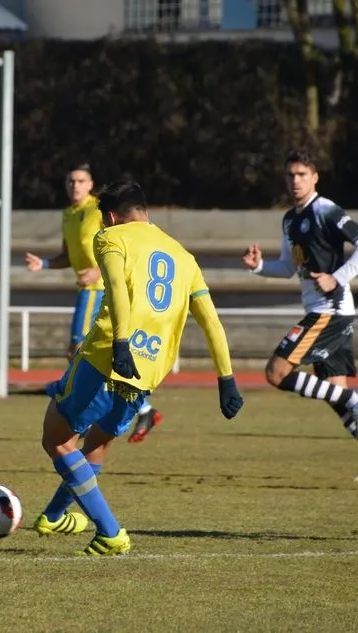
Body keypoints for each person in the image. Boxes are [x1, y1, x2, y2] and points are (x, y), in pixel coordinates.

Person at [34, 180, 244, 556]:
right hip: (146, 372)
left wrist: (120, 342)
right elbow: (212, 321)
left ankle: (110, 532)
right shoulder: (184, 256)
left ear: (112, 216)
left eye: (103, 219)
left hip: (106, 356)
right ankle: (52, 516)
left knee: (57, 440)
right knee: (96, 443)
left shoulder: (111, 238)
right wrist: (226, 378)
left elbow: (115, 286)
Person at [241, 149, 358, 483]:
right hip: (325, 311)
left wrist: (338, 277)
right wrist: (258, 267)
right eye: (290, 175)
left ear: (315, 177)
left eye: (302, 174)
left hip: (330, 311)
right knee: (334, 396)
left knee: (276, 372)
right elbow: (289, 267)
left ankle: (354, 399)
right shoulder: (290, 220)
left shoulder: (326, 210)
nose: (295, 180)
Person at [24, 163, 163, 443]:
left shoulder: (98, 211)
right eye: (71, 181)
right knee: (80, 351)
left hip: (100, 290)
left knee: (79, 349)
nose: (75, 185)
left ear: (91, 185)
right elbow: (67, 255)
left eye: (80, 180)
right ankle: (138, 408)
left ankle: (91, 411)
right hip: (86, 291)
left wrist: (98, 271)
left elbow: (121, 244)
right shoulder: (68, 214)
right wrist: (46, 263)